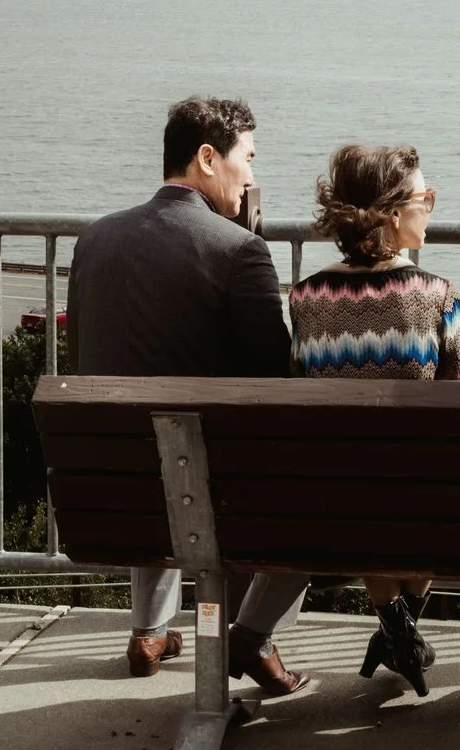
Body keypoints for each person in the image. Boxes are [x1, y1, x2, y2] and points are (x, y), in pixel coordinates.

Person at [65, 95, 310, 694]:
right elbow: (273, 378)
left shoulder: (94, 239)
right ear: (207, 158)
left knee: (159, 439)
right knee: (270, 478)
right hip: (212, 501)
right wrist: (246, 250)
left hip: (109, 495)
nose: (252, 174)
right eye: (247, 158)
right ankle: (254, 637)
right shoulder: (238, 251)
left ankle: (151, 629)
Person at [288, 143, 460, 696]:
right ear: (391, 213)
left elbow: (300, 384)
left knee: (360, 476)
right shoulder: (437, 297)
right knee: (427, 479)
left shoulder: (304, 298)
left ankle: (396, 631)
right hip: (421, 498)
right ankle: (401, 630)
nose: (432, 207)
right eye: (426, 197)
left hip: (334, 500)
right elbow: (453, 390)